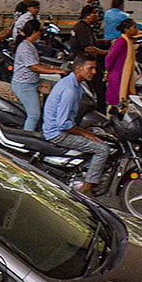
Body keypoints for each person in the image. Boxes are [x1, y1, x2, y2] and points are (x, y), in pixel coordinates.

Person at [43, 54, 110, 195]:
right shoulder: (70, 90)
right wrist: (85, 133)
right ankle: (87, 189)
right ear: (79, 68)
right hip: (57, 134)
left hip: (60, 128)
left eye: (95, 68)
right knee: (102, 149)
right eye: (90, 68)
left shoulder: (74, 83)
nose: (94, 72)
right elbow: (63, 124)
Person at [11, 19, 67, 131]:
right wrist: (56, 72)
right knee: (34, 115)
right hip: (25, 85)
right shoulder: (25, 47)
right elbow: (34, 67)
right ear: (34, 32)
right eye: (40, 31)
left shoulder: (30, 45)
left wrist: (54, 68)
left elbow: (37, 63)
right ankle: (27, 137)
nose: (41, 33)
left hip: (33, 82)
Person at [70, 5, 109, 112]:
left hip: (83, 61)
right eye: (95, 13)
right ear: (88, 15)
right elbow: (89, 48)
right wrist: (106, 53)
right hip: (85, 63)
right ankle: (101, 111)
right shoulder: (83, 28)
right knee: (100, 86)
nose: (97, 16)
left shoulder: (83, 27)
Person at [104, 17, 140, 110]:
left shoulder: (128, 41)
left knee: (122, 99)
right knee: (117, 100)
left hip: (122, 75)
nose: (136, 29)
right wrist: (107, 69)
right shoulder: (121, 42)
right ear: (126, 30)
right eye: (134, 27)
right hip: (118, 76)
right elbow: (110, 57)